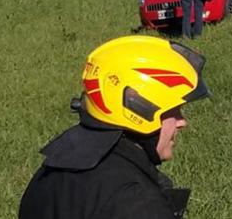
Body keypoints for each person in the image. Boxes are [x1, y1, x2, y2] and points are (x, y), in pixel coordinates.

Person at [19, 36, 210, 219]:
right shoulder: (137, 204)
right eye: (173, 111)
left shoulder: (51, 172)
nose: (182, 121)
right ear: (140, 110)